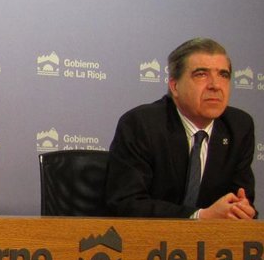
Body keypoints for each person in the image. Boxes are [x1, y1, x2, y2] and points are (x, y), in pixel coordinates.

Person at [105, 37, 254, 219]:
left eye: (223, 75)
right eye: (201, 74)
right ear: (175, 86)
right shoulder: (142, 124)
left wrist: (240, 210)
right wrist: (199, 217)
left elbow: (243, 198)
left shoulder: (239, 127)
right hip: (150, 236)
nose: (215, 85)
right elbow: (127, 203)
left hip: (217, 237)